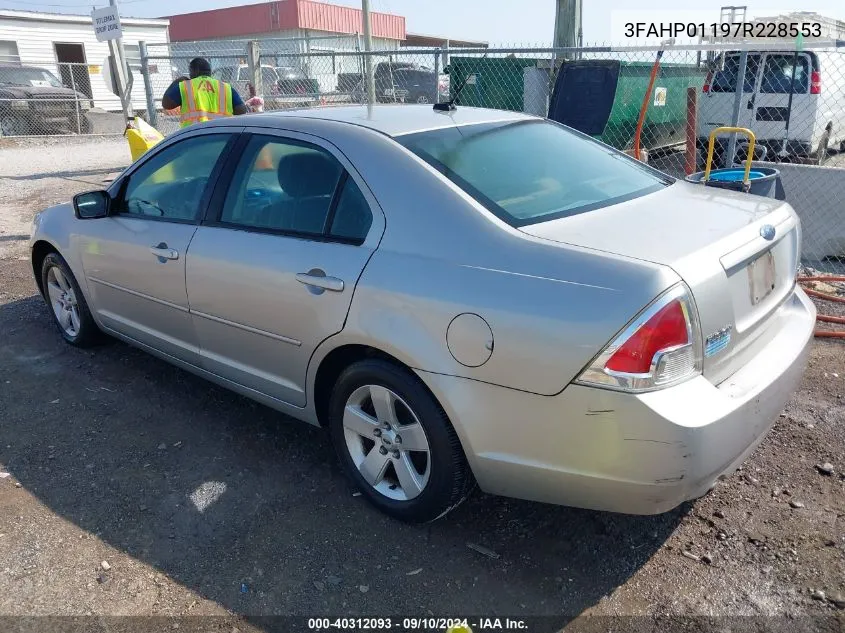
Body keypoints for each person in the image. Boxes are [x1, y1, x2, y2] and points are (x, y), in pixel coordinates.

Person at [162, 57, 248, 127]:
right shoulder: (225, 87)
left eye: (190, 72)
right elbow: (241, 110)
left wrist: (177, 81)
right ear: (209, 71)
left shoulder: (186, 86)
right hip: (222, 135)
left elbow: (166, 104)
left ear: (195, 71)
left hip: (194, 136)